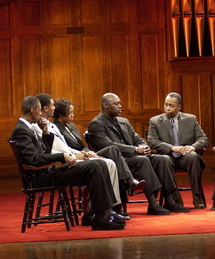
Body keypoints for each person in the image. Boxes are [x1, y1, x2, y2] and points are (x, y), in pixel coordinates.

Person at [10, 96, 125, 230]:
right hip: (42, 176)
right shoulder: (21, 130)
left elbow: (43, 152)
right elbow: (34, 160)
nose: (41, 113)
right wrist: (62, 156)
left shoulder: (27, 128)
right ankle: (100, 216)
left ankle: (102, 213)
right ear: (33, 111)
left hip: (48, 171)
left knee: (99, 164)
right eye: (40, 110)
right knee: (94, 166)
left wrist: (46, 133)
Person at [32, 93, 138, 223]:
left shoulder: (53, 125)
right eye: (52, 105)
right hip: (61, 163)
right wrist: (75, 155)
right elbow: (48, 151)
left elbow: (67, 146)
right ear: (45, 109)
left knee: (109, 162)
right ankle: (99, 211)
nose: (54, 108)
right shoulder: (38, 127)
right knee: (100, 164)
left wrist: (83, 153)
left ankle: (112, 207)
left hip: (72, 157)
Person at [88, 93, 189, 214]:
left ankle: (170, 201)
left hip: (134, 157)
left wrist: (144, 146)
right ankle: (153, 204)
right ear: (105, 105)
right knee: (143, 160)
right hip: (118, 161)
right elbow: (108, 145)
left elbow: (138, 139)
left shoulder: (124, 121)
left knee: (163, 159)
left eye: (120, 103)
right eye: (116, 104)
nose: (120, 106)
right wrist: (135, 150)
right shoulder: (96, 124)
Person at [147, 92, 209, 209]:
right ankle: (175, 200)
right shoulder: (155, 121)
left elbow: (203, 139)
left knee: (193, 156)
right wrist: (172, 148)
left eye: (171, 105)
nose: (168, 108)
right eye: (166, 105)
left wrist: (193, 147)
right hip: (167, 156)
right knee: (164, 160)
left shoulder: (190, 119)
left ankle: (197, 197)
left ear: (179, 106)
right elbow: (151, 141)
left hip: (185, 156)